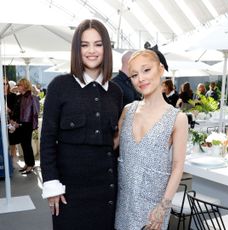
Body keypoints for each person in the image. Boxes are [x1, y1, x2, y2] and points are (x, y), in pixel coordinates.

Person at [40, 19, 123, 230]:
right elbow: (47, 139)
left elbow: (116, 141)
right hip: (69, 192)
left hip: (106, 190)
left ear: (106, 48)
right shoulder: (59, 86)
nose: (91, 51)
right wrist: (52, 184)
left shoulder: (115, 92)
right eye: (84, 45)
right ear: (77, 49)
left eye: (98, 44)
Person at [114, 49, 188, 230]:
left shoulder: (177, 118)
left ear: (160, 69)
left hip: (154, 208)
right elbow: (111, 146)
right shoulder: (127, 110)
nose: (141, 78)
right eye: (134, 74)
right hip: (123, 203)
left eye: (146, 70)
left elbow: (178, 166)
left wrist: (163, 206)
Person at [16, 78, 40, 174]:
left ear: (25, 86)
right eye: (18, 85)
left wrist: (34, 125)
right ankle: (27, 163)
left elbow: (36, 112)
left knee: (27, 145)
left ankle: (31, 165)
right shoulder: (20, 97)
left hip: (28, 123)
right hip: (21, 123)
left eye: (20, 85)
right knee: (23, 144)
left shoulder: (32, 97)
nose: (18, 87)